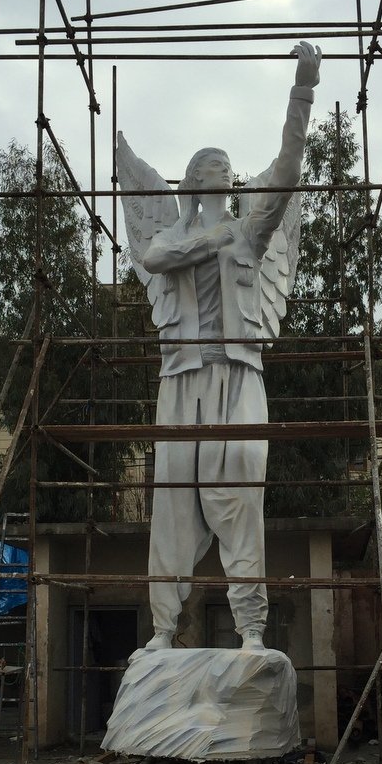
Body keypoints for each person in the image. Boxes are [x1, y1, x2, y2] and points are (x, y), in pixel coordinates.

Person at [123, 41, 321, 653]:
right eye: (210, 169)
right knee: (173, 504)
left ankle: (252, 630)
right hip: (181, 380)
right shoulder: (180, 237)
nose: (221, 175)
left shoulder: (248, 232)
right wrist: (209, 240)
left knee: (240, 501)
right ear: (190, 185)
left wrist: (302, 93)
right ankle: (162, 630)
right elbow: (155, 256)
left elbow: (287, 172)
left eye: (225, 170)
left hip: (239, 376)